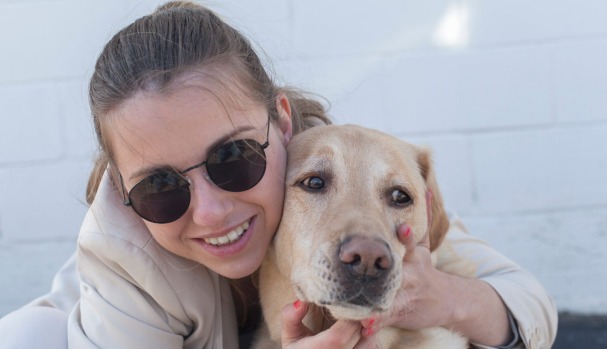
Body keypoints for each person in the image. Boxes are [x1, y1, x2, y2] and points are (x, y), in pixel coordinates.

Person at [0, 1, 557, 348]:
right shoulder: (124, 258)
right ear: (124, 194)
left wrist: (443, 298)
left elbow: (528, 303)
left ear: (282, 125)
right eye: (161, 188)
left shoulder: (340, 169)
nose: (213, 210)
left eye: (233, 158)